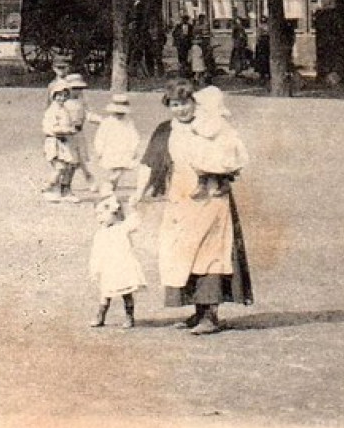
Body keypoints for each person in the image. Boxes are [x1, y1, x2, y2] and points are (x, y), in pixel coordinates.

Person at [139, 78, 254, 335]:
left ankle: (210, 315)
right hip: (181, 198)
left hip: (211, 198)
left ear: (195, 103)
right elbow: (151, 164)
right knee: (183, 251)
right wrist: (140, 194)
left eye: (185, 103)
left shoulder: (213, 126)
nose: (180, 110)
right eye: (174, 104)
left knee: (209, 252)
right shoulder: (168, 130)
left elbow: (230, 155)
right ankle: (197, 310)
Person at [88, 195, 145, 329]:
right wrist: (95, 269)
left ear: (114, 213)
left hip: (123, 266)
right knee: (105, 294)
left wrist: (134, 208)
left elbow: (135, 222)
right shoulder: (100, 234)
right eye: (97, 214)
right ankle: (100, 316)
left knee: (126, 293)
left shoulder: (122, 228)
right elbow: (96, 253)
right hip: (108, 268)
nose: (99, 218)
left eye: (102, 214)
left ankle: (129, 317)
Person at [90, 92, 142, 197]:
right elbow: (100, 137)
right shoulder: (107, 122)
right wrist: (99, 149)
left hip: (124, 149)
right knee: (112, 170)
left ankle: (109, 185)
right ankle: (107, 185)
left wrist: (134, 148)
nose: (119, 115)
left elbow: (134, 135)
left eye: (122, 113)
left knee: (121, 169)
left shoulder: (128, 122)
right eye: (117, 112)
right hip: (110, 149)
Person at [40, 86, 79, 201]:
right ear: (54, 96)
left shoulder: (65, 110)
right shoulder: (51, 111)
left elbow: (69, 125)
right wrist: (64, 130)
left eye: (64, 95)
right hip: (54, 142)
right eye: (59, 95)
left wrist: (72, 128)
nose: (61, 98)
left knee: (70, 166)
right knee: (60, 167)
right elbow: (50, 128)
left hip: (65, 142)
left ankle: (65, 190)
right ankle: (47, 188)